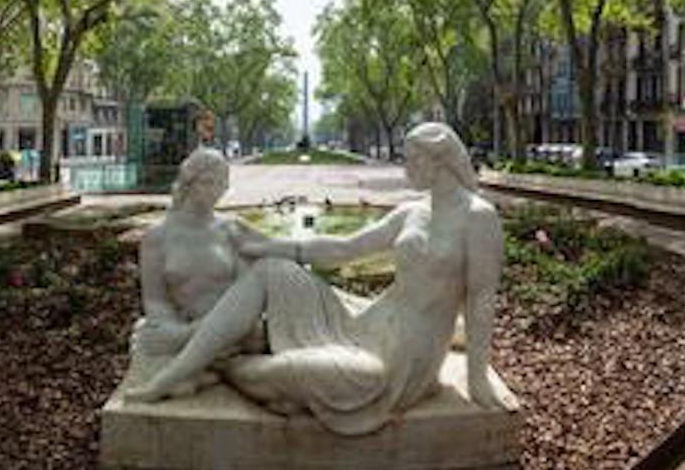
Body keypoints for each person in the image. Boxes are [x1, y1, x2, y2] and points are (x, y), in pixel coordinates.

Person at [126, 122, 512, 436]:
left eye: (410, 158)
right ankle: (183, 365)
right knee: (271, 269)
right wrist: (281, 248)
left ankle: (220, 362)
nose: (404, 166)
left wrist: (477, 375)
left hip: (408, 355)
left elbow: (480, 298)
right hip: (371, 320)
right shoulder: (413, 211)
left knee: (299, 373)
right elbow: (346, 247)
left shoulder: (478, 217)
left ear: (436, 160)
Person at [129, 148, 263, 393]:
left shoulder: (232, 229)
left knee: (173, 371)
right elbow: (155, 300)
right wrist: (170, 328)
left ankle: (199, 364)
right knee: (146, 341)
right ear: (188, 182)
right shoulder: (157, 236)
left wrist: (185, 336)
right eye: (209, 182)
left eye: (223, 183)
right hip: (184, 326)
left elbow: (247, 294)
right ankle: (199, 365)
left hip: (234, 332)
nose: (217, 190)